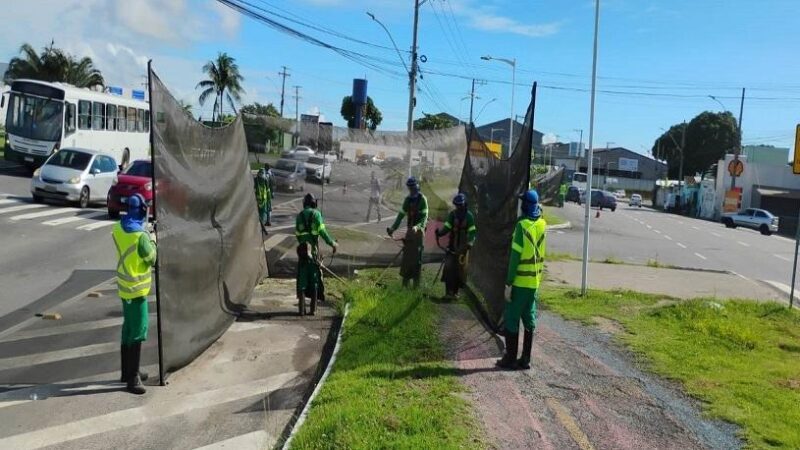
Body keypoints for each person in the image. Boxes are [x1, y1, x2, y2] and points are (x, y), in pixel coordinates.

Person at [111, 193, 157, 394]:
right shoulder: (141, 236)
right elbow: (152, 258)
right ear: (142, 210)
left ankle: (127, 370)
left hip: (123, 287)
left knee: (128, 330)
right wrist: (152, 239)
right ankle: (133, 379)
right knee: (139, 330)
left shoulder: (118, 228)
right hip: (137, 290)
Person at [497, 189, 546, 371]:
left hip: (519, 282)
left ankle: (510, 358)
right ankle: (525, 359)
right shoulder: (542, 224)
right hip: (534, 282)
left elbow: (515, 258)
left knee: (511, 319)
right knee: (529, 319)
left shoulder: (521, 226)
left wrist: (509, 283)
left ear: (525, 206)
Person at [295, 193, 338, 308]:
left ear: (304, 204)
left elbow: (298, 235)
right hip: (313, 253)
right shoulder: (317, 214)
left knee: (302, 278)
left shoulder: (299, 216)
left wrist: (304, 243)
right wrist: (332, 243)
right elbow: (323, 233)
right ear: (314, 203)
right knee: (314, 278)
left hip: (302, 253)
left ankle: (301, 303)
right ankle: (313, 308)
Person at [387, 176, 429, 288]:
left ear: (416, 186)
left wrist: (418, 226)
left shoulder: (422, 199)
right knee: (407, 257)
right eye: (409, 188)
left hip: (419, 233)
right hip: (410, 232)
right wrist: (392, 228)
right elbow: (400, 215)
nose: (411, 189)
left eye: (413, 187)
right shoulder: (408, 200)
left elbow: (425, 217)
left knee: (416, 259)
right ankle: (405, 283)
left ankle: (416, 285)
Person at [435, 193, 476, 298]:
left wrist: (470, 243)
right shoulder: (452, 215)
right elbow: (447, 227)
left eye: (460, 205)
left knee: (459, 272)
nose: (458, 207)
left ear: (464, 204)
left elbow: (472, 233)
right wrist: (439, 233)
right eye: (456, 205)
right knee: (448, 270)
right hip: (451, 248)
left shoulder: (469, 216)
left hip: (462, 250)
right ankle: (448, 293)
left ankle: (455, 293)